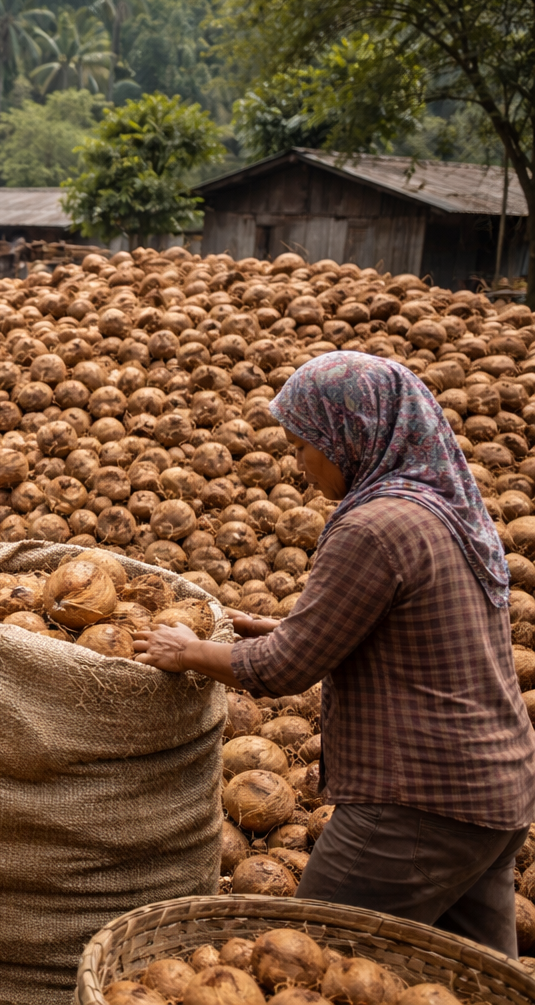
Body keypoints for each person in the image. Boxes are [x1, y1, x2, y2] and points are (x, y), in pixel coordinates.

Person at [132, 351, 535, 956]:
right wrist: (277, 626)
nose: (300, 466)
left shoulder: (371, 527)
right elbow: (397, 632)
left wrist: (187, 652)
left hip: (417, 806)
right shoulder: (440, 509)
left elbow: (282, 670)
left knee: (302, 962)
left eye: (302, 446)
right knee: (472, 984)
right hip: (495, 796)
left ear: (351, 436)